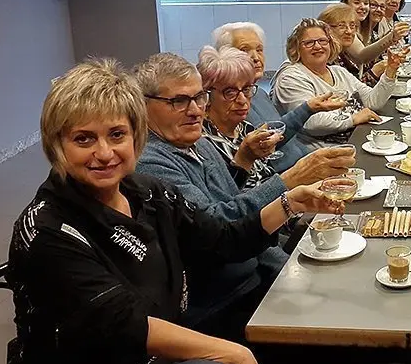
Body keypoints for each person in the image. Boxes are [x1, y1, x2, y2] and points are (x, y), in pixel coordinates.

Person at [0, 58, 340, 364]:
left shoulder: (145, 192)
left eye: (116, 134)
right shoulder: (48, 231)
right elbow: (130, 326)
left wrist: (288, 202)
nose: (105, 153)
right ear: (56, 144)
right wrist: (236, 353)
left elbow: (222, 239)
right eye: (83, 139)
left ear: (135, 136)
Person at [133, 52, 356, 336]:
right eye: (178, 101)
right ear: (143, 105)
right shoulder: (152, 163)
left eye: (198, 97)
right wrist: (290, 181)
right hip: (226, 301)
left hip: (257, 267)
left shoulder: (195, 140)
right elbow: (220, 228)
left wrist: (243, 163)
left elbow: (229, 199)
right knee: (338, 312)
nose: (194, 110)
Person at [198, 45, 344, 190]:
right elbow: (231, 205)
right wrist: (295, 178)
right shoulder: (205, 145)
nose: (242, 99)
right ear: (206, 96)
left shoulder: (243, 127)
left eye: (247, 89)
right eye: (230, 92)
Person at [272, 18, 403, 150]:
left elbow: (372, 101)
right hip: (324, 153)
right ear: (296, 48)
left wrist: (390, 71)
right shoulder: (291, 77)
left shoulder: (338, 72)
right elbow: (310, 123)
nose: (317, 46)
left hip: (357, 139)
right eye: (309, 43)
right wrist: (353, 119)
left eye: (322, 41)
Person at [211, 22, 310, 169]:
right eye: (245, 50)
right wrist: (309, 108)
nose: (256, 57)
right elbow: (264, 145)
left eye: (259, 50)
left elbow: (289, 142)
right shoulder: (229, 103)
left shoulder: (260, 93)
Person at [339, 0, 410, 69]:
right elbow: (362, 57)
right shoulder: (344, 28)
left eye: (366, 3)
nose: (363, 7)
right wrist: (392, 37)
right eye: (357, 2)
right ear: (344, 4)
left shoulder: (368, 32)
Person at [319, 3, 386, 88]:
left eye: (352, 26)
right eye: (341, 26)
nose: (349, 31)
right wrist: (375, 72)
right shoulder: (326, 60)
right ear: (326, 29)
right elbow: (350, 95)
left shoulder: (344, 52)